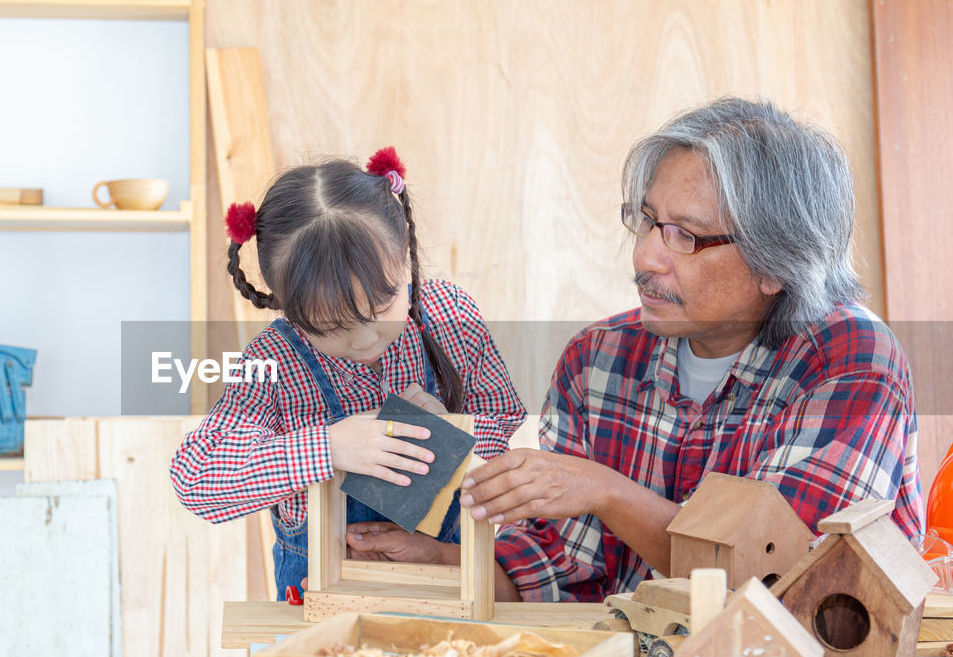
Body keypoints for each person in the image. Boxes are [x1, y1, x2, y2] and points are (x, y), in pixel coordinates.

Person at [347, 98, 923, 602]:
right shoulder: (598, 358)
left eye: (685, 236)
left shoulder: (852, 359)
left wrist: (607, 491)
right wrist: (447, 565)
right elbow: (568, 575)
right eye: (646, 221)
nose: (646, 257)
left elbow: (781, 580)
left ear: (777, 262)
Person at [169, 148, 527, 599]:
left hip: (445, 588)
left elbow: (501, 421)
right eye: (331, 326)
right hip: (320, 613)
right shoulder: (274, 361)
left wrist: (454, 435)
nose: (363, 340)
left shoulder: (449, 314)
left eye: (382, 309)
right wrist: (328, 447)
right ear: (289, 308)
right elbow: (197, 479)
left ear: (405, 258)